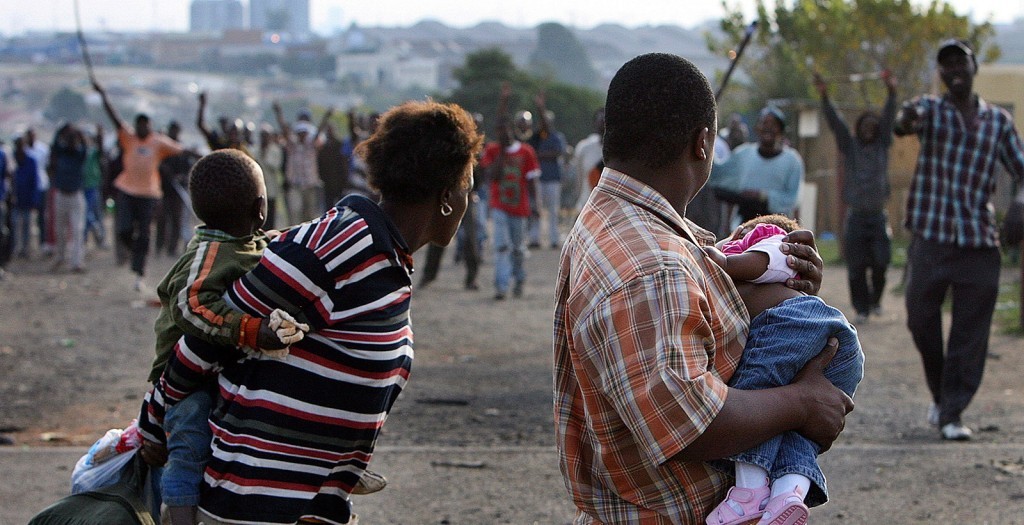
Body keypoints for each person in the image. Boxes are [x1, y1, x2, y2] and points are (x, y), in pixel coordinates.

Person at [137, 99, 483, 524]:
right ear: (447, 196)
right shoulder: (340, 245)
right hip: (249, 502)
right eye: (469, 186)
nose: (472, 198)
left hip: (305, 506)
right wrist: (153, 424)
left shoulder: (385, 259)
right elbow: (207, 339)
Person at [553, 52, 854, 524]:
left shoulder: (619, 220)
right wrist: (802, 403)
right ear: (702, 143)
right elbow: (692, 425)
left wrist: (780, 282)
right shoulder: (650, 267)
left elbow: (700, 284)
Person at [143, 149, 308, 525]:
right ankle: (180, 515)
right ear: (260, 206)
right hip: (183, 382)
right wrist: (249, 330)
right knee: (188, 449)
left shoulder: (247, 243)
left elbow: (273, 242)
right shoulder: (210, 253)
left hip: (214, 370)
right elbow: (191, 305)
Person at [893, 38, 1024, 441]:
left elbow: (1022, 171)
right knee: (920, 320)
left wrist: (1019, 205)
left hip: (978, 241)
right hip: (931, 236)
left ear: (974, 67)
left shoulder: (998, 122)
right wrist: (905, 116)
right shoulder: (930, 110)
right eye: (946, 64)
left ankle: (952, 413)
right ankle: (942, 394)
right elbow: (904, 122)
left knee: (971, 330)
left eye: (960, 62)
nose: (954, 70)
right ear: (942, 74)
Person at [702, 214, 864, 524]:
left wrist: (723, 259)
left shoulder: (768, 240)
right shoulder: (782, 280)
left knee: (754, 394)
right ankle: (787, 496)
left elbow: (762, 260)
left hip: (795, 325)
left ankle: (748, 495)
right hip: (831, 343)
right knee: (793, 431)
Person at [815, 70, 898, 324]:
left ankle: (875, 301)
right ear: (859, 129)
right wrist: (825, 97)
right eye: (866, 125)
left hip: (877, 216)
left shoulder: (883, 145)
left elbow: (889, 116)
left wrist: (892, 92)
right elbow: (835, 122)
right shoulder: (849, 147)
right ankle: (861, 308)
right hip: (856, 218)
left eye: (874, 126)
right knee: (856, 267)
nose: (870, 129)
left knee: (881, 262)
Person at [93, 78, 186, 291]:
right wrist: (103, 94)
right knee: (124, 229)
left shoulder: (158, 142)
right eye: (139, 125)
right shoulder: (129, 138)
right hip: (126, 191)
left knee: (144, 233)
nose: (142, 128)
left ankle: (139, 272)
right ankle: (134, 252)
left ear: (150, 126)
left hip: (149, 195)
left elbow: (181, 149)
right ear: (136, 126)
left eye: (146, 125)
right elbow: (114, 116)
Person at [480, 85, 541, 300]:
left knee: (517, 249)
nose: (503, 133)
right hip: (499, 207)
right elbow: (492, 176)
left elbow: (532, 182)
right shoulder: (493, 151)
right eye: (499, 131)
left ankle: (519, 278)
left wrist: (536, 207)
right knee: (501, 246)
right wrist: (502, 153)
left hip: (520, 207)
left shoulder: (526, 152)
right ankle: (501, 286)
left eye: (506, 129)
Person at [711, 106, 805, 224]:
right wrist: (709, 140)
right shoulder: (744, 154)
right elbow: (717, 175)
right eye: (764, 123)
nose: (768, 128)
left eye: (773, 124)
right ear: (757, 128)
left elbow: (792, 199)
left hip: (776, 227)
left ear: (781, 131)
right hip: (744, 225)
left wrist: (762, 196)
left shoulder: (792, 160)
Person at [273, 102, 334, 224]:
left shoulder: (311, 145)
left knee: (310, 215)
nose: (302, 134)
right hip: (295, 185)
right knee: (295, 214)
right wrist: (279, 114)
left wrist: (326, 117)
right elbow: (284, 130)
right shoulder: (292, 145)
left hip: (310, 185)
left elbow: (318, 132)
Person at [527, 92, 568, 249]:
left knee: (553, 212)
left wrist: (539, 155)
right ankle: (535, 238)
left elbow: (557, 152)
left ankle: (553, 239)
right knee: (536, 210)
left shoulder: (557, 137)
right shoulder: (537, 137)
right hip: (539, 179)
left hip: (553, 178)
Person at [48, 123, 88, 273]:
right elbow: (54, 143)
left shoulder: (80, 154)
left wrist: (79, 133)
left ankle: (76, 262)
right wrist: (63, 128)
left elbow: (85, 146)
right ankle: (60, 256)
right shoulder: (61, 152)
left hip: (75, 196)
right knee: (59, 230)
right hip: (61, 196)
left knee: (77, 230)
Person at [155, 121, 198, 258]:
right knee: (161, 221)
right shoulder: (163, 149)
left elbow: (188, 170)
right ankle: (159, 246)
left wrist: (181, 177)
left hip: (177, 192)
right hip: (163, 191)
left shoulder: (181, 150)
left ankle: (172, 248)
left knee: (176, 221)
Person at [11, 137, 42, 259]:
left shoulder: (31, 161)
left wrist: (35, 199)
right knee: (14, 225)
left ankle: (25, 249)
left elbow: (34, 181)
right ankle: (15, 249)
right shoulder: (13, 159)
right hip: (15, 199)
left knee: (27, 226)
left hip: (27, 199)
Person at [571, 107, 605, 213]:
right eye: (600, 121)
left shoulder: (620, 151)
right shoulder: (584, 148)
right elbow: (578, 178)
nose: (603, 124)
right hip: (586, 205)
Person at [82, 125, 109, 250]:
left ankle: (100, 238)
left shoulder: (93, 151)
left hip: (93, 186)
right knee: (86, 214)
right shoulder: (80, 152)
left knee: (97, 213)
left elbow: (101, 150)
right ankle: (85, 238)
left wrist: (100, 135)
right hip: (83, 188)